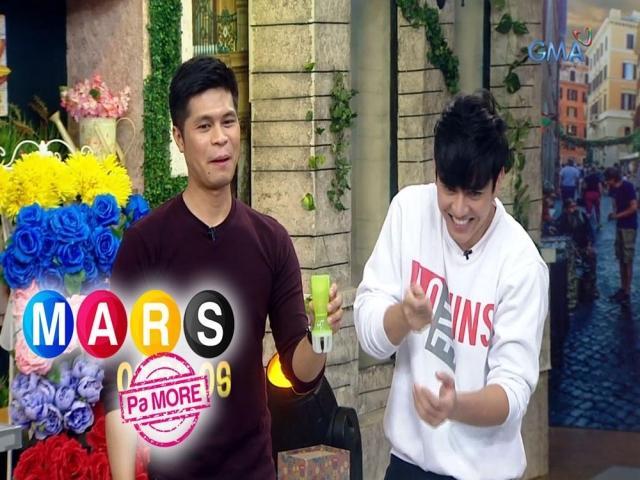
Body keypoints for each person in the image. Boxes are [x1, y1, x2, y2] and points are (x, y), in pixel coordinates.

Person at [103, 56, 344, 479]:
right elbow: (120, 388)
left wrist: (320, 332)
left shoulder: (270, 240)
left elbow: (299, 375)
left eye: (228, 122)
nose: (221, 139)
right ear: (179, 137)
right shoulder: (145, 244)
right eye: (204, 126)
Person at [353, 91, 549, 480]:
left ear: (499, 179)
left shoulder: (522, 264)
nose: (458, 209)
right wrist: (403, 317)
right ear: (435, 169)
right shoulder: (408, 212)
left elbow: (512, 393)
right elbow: (370, 338)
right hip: (408, 466)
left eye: (474, 193)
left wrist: (454, 407)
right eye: (448, 189)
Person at [604, 166, 638, 307]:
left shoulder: (628, 186)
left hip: (629, 227)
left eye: (608, 180)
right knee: (621, 258)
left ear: (613, 178)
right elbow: (615, 203)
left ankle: (627, 290)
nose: (606, 182)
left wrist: (617, 215)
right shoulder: (613, 189)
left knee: (627, 259)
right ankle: (623, 288)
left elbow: (634, 207)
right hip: (620, 226)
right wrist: (614, 213)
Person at [555, 198, 598, 302]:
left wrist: (589, 245)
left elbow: (590, 232)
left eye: (575, 206)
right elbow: (561, 236)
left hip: (582, 247)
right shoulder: (562, 220)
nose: (574, 209)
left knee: (592, 257)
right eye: (571, 207)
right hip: (571, 248)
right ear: (566, 209)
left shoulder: (582, 216)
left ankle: (591, 286)